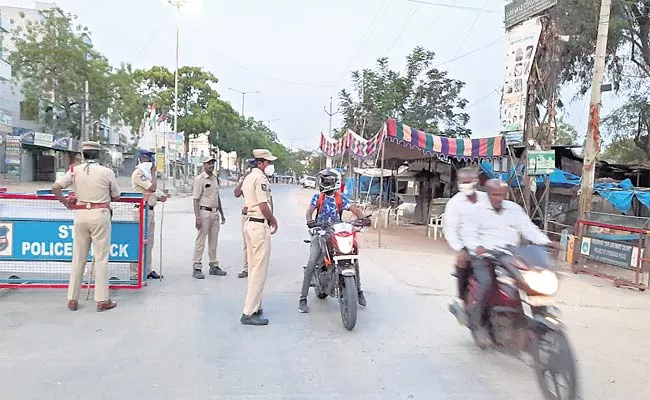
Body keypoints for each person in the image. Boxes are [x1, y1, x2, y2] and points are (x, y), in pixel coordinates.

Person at [464, 179, 552, 347]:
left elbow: (529, 229)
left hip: (511, 255)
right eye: (494, 195)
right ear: (488, 193)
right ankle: (479, 326)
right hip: (485, 256)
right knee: (486, 284)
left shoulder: (514, 209)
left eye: (501, 195)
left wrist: (545, 242)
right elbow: (468, 233)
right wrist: (477, 247)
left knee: (529, 281)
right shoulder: (476, 211)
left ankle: (536, 319)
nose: (498, 198)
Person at [52, 141, 121, 312]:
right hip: (100, 215)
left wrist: (65, 202)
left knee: (78, 258)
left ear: (83, 155)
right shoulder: (106, 172)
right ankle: (102, 300)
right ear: (99, 155)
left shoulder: (74, 171)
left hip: (80, 215)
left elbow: (55, 187)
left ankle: (72, 299)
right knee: (101, 258)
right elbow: (116, 196)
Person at [298, 168, 367, 314]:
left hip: (336, 232)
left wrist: (363, 218)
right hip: (321, 233)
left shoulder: (341, 198)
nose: (322, 183)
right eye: (322, 180)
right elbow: (310, 211)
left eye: (325, 180)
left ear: (332, 182)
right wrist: (310, 221)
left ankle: (359, 290)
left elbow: (355, 210)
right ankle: (303, 298)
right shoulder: (318, 197)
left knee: (353, 257)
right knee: (311, 263)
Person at [240, 149, 279, 326]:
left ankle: (255, 305)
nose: (270, 166)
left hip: (249, 223)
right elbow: (263, 205)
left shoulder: (248, 177)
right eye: (268, 163)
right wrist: (273, 220)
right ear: (261, 163)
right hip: (259, 224)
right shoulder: (260, 178)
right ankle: (248, 312)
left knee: (254, 267)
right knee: (259, 270)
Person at [443, 167, 487, 303]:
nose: (465, 185)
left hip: (490, 244)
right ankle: (464, 301)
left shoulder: (487, 199)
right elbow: (450, 230)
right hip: (468, 246)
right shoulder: (454, 204)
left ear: (476, 182)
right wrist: (460, 249)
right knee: (462, 262)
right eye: (462, 182)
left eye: (468, 182)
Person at [129, 148, 168, 281]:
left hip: (150, 210)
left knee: (149, 243)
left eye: (150, 160)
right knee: (139, 242)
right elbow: (151, 188)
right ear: (141, 159)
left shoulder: (147, 175)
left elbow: (152, 193)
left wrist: (161, 196)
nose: (150, 162)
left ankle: (147, 270)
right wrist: (154, 173)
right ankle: (135, 273)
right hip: (140, 211)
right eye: (147, 159)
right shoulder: (138, 173)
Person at [191, 156, 226, 279]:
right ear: (204, 165)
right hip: (204, 212)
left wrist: (222, 214)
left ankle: (213, 265)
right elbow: (195, 199)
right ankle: (197, 266)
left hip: (215, 213)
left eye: (212, 163)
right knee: (201, 240)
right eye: (209, 163)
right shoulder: (199, 179)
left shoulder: (215, 179)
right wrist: (197, 217)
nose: (211, 166)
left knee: (213, 241)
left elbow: (217, 197)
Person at [234, 158, 257, 279]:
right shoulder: (245, 179)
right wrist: (244, 179)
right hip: (246, 214)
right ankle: (246, 268)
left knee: (257, 244)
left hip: (258, 215)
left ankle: (256, 268)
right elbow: (237, 193)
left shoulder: (260, 179)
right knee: (246, 243)